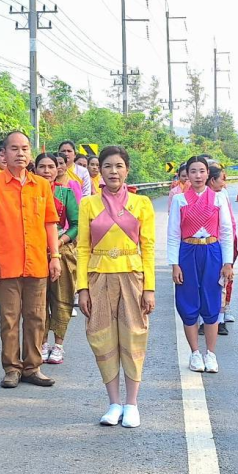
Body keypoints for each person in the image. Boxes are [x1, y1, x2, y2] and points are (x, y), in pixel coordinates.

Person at [76, 146, 156, 428]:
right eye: (108, 166)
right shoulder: (89, 204)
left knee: (133, 337)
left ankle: (132, 403)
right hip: (99, 278)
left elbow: (147, 246)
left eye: (119, 166)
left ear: (127, 170)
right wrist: (82, 288)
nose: (113, 171)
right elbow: (83, 247)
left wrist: (149, 287)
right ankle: (113, 403)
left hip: (132, 277)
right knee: (101, 337)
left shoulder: (141, 203)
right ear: (100, 170)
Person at [0, 131, 62, 389]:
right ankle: (12, 368)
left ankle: (32, 367)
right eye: (14, 149)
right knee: (10, 318)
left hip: (37, 262)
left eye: (25, 148)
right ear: (3, 154)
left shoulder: (41, 185)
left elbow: (50, 224)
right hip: (7, 263)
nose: (20, 153)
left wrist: (55, 256)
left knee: (37, 317)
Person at [168, 156, 234, 373]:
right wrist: (174, 264)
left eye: (201, 171)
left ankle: (211, 354)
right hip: (188, 251)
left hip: (212, 251)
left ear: (208, 174)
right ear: (187, 174)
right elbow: (173, 234)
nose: (197, 176)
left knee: (212, 299)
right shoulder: (180, 200)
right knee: (188, 301)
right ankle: (195, 353)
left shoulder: (218, 199)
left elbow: (225, 231)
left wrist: (227, 262)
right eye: (193, 171)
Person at [36, 152, 79, 364]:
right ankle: (41, 343)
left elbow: (77, 224)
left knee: (62, 298)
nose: (46, 171)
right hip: (35, 254)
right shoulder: (29, 193)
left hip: (62, 253)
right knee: (38, 302)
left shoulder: (65, 194)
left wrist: (60, 242)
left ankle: (58, 345)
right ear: (34, 170)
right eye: (42, 166)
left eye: (50, 167)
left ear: (57, 169)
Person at [207, 165, 237, 334]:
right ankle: (207, 319)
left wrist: (229, 253)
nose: (225, 184)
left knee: (222, 283)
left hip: (222, 246)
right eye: (222, 179)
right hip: (206, 247)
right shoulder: (191, 197)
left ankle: (220, 319)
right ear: (212, 180)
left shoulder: (222, 196)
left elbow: (228, 226)